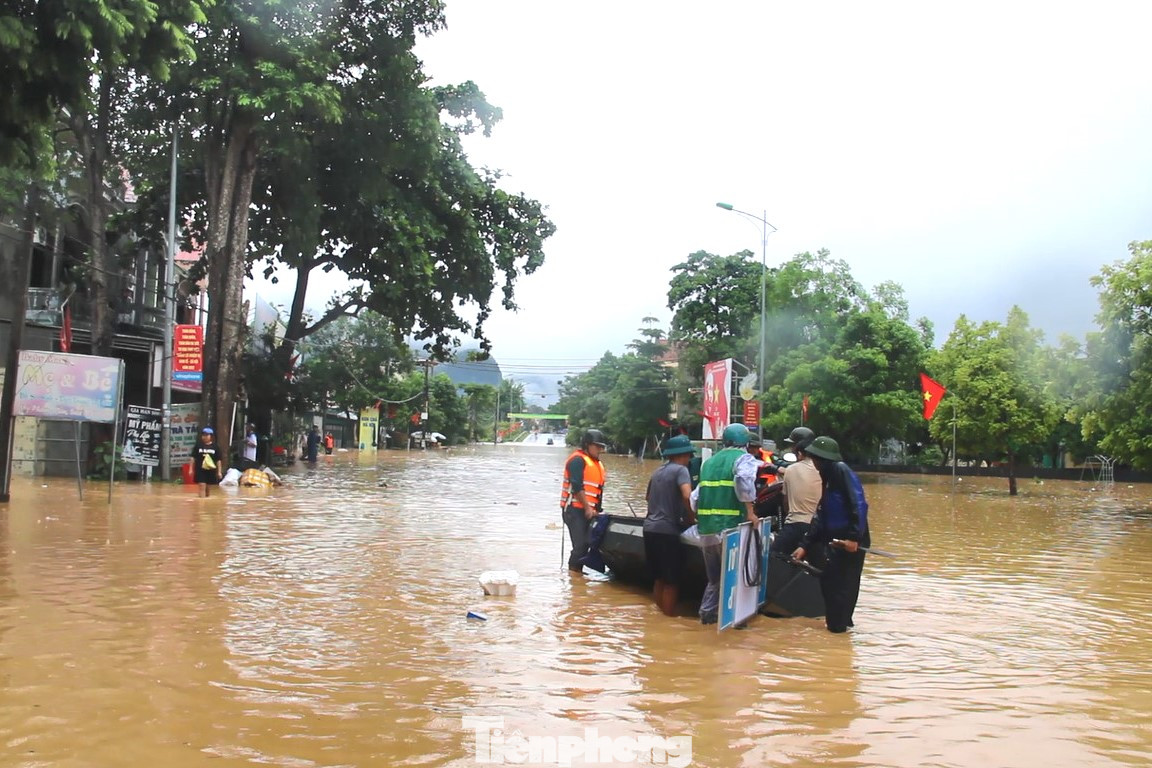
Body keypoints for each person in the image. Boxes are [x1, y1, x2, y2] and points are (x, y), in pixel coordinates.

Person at [791, 436, 871, 633]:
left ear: (824, 459)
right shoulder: (827, 478)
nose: (815, 464)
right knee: (830, 584)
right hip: (835, 541)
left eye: (816, 460)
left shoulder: (841, 471)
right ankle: (837, 626)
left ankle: (839, 628)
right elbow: (821, 515)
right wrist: (805, 544)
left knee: (844, 586)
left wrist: (854, 537)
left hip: (850, 541)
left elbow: (859, 504)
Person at [694, 423, 760, 625]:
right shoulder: (744, 458)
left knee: (714, 579)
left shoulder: (709, 463)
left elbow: (695, 497)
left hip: (706, 530)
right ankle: (736, 624)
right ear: (745, 442)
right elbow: (745, 482)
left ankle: (706, 617)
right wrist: (750, 512)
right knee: (735, 578)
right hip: (731, 528)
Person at [643, 435, 696, 616]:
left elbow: (648, 498)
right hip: (667, 530)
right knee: (671, 581)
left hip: (649, 529)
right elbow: (688, 495)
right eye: (689, 455)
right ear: (684, 455)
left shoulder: (657, 471)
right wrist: (691, 517)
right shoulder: (681, 471)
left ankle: (656, 616)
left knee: (659, 579)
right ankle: (667, 619)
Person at [560, 429, 608, 573]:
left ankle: (576, 575)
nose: (600, 449)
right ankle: (574, 576)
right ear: (587, 445)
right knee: (580, 546)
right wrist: (587, 508)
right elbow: (577, 486)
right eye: (597, 446)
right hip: (574, 510)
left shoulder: (596, 463)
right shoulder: (577, 460)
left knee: (587, 545)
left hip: (588, 511)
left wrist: (596, 510)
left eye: (601, 446)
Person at [771, 426, 822, 555]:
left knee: (772, 556)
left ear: (799, 450)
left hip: (795, 525)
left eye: (793, 445)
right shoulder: (824, 469)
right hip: (819, 527)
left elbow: (786, 504)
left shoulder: (791, 470)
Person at [193, 426, 222, 498]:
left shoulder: (215, 447)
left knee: (208, 488)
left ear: (211, 436)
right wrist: (191, 469)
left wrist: (219, 472)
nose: (204, 437)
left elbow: (218, 460)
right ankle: (201, 504)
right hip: (200, 469)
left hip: (210, 470)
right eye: (203, 435)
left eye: (206, 435)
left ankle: (206, 502)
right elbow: (193, 457)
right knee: (202, 486)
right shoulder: (198, 446)